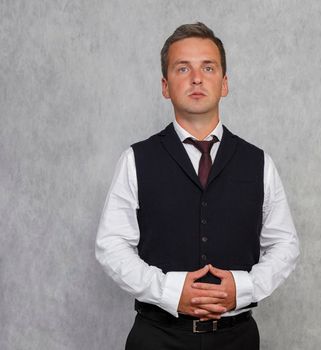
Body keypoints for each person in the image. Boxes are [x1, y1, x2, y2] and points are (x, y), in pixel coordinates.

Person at [95, 22, 299, 349]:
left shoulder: (259, 163)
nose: (196, 78)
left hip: (237, 339)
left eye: (208, 67)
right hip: (157, 338)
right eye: (182, 68)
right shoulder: (135, 159)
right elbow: (111, 245)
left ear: (224, 83)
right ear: (165, 86)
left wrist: (244, 287)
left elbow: (285, 245)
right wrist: (169, 291)